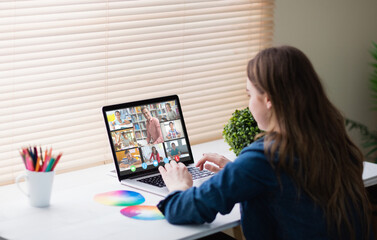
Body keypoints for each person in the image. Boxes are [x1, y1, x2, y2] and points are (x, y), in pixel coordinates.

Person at [157, 46, 373, 240]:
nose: (249, 103)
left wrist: (179, 186)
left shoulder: (265, 156)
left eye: (250, 94)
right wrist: (237, 171)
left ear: (268, 99)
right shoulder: (334, 141)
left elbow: (183, 209)